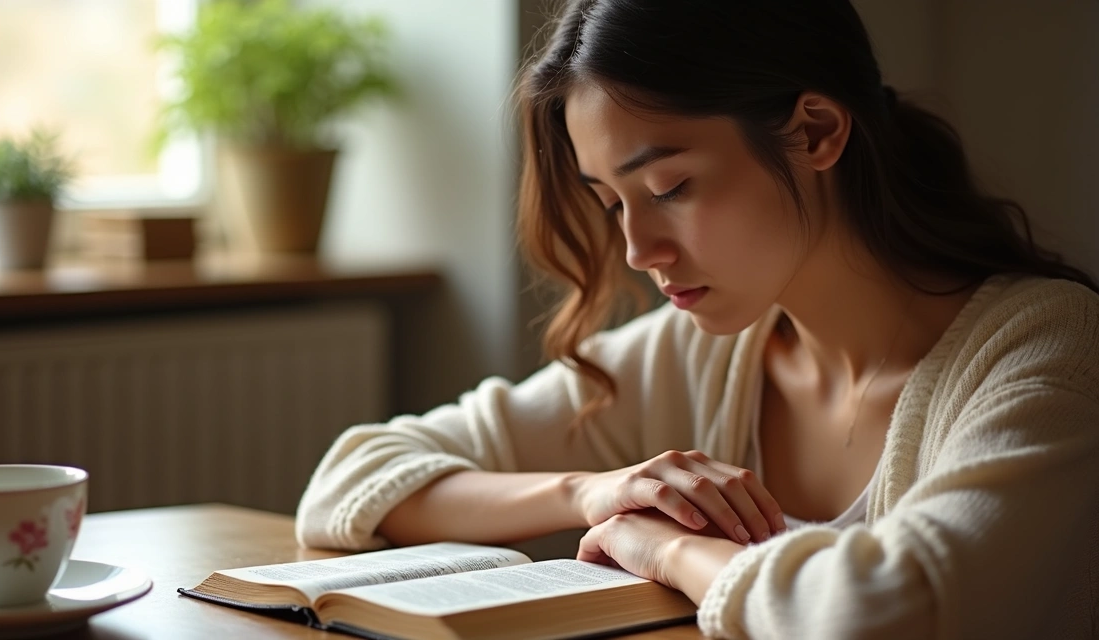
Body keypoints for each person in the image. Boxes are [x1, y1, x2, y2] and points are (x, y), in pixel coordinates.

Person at [295, 0, 1099, 637]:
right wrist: (589, 493)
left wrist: (667, 545)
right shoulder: (700, 354)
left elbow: (884, 611)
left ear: (816, 131)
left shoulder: (1048, 350)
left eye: (671, 188)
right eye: (610, 202)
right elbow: (350, 480)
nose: (638, 248)